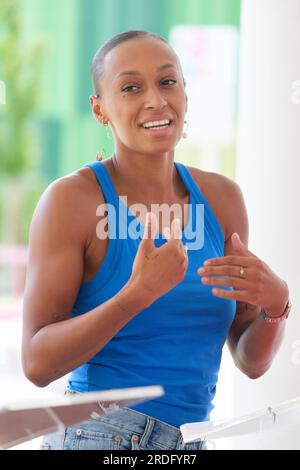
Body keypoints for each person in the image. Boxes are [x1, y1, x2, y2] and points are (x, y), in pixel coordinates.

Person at [22, 30, 291, 451]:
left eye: (168, 82)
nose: (155, 100)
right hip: (101, 434)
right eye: (131, 87)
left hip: (191, 441)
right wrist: (136, 294)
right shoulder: (72, 201)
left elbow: (249, 360)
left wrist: (276, 308)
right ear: (100, 110)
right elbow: (37, 363)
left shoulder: (222, 199)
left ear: (185, 92)